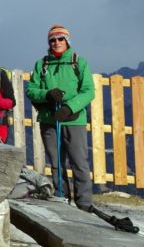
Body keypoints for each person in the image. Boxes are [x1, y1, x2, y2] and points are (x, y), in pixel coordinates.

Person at [26, 24, 94, 211]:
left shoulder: (79, 62)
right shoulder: (42, 64)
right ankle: (62, 199)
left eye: (60, 39)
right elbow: (31, 90)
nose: (56, 42)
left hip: (74, 119)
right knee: (56, 164)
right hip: (49, 120)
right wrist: (47, 94)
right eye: (52, 40)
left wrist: (69, 107)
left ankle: (84, 204)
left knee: (79, 163)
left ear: (67, 41)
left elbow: (88, 91)